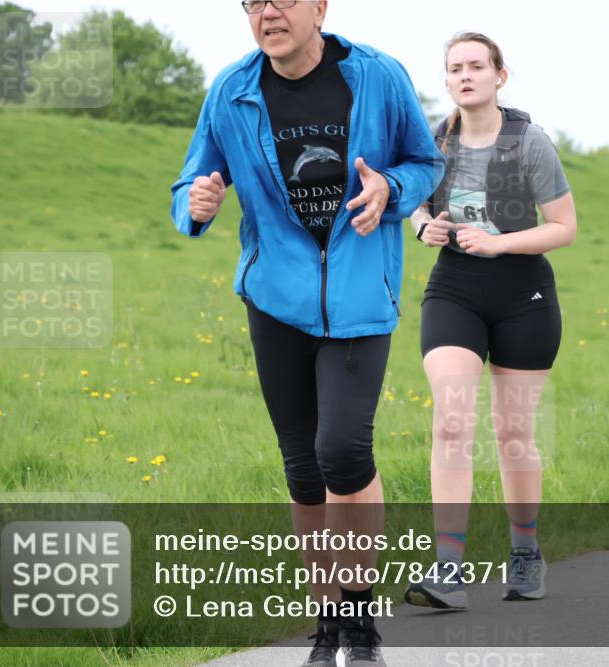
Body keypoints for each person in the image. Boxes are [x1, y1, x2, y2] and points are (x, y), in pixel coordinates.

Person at [170, 1, 443, 664]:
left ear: (319, 6)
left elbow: (425, 162)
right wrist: (195, 203)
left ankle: (360, 622)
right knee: (302, 466)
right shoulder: (231, 91)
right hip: (275, 300)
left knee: (342, 452)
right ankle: (326, 626)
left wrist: (391, 190)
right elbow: (191, 180)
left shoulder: (377, 75)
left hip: (359, 295)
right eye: (253, 1)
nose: (268, 11)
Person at [402, 32, 577, 609]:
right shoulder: (433, 142)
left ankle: (525, 553)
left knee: (512, 433)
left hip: (524, 295)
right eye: (455, 68)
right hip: (454, 290)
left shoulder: (529, 142)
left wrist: (499, 244)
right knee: (452, 422)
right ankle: (448, 568)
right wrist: (423, 226)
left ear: (500, 76)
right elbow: (414, 202)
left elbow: (564, 227)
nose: (465, 75)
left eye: (477, 66)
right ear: (447, 80)